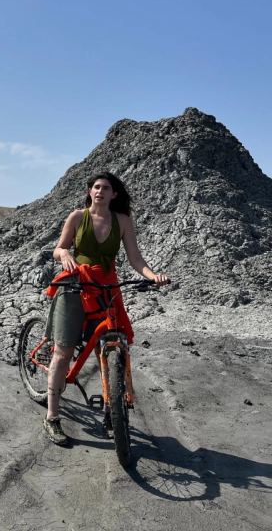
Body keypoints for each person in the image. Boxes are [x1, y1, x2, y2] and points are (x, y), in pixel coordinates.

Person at [43, 172, 169, 446]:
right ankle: (52, 417)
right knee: (63, 352)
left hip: (107, 287)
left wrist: (152, 276)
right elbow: (59, 248)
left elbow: (135, 258)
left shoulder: (122, 221)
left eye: (106, 188)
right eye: (95, 187)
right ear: (90, 192)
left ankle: (112, 414)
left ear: (115, 194)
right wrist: (64, 253)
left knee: (109, 346)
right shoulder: (77, 217)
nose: (99, 191)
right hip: (76, 285)